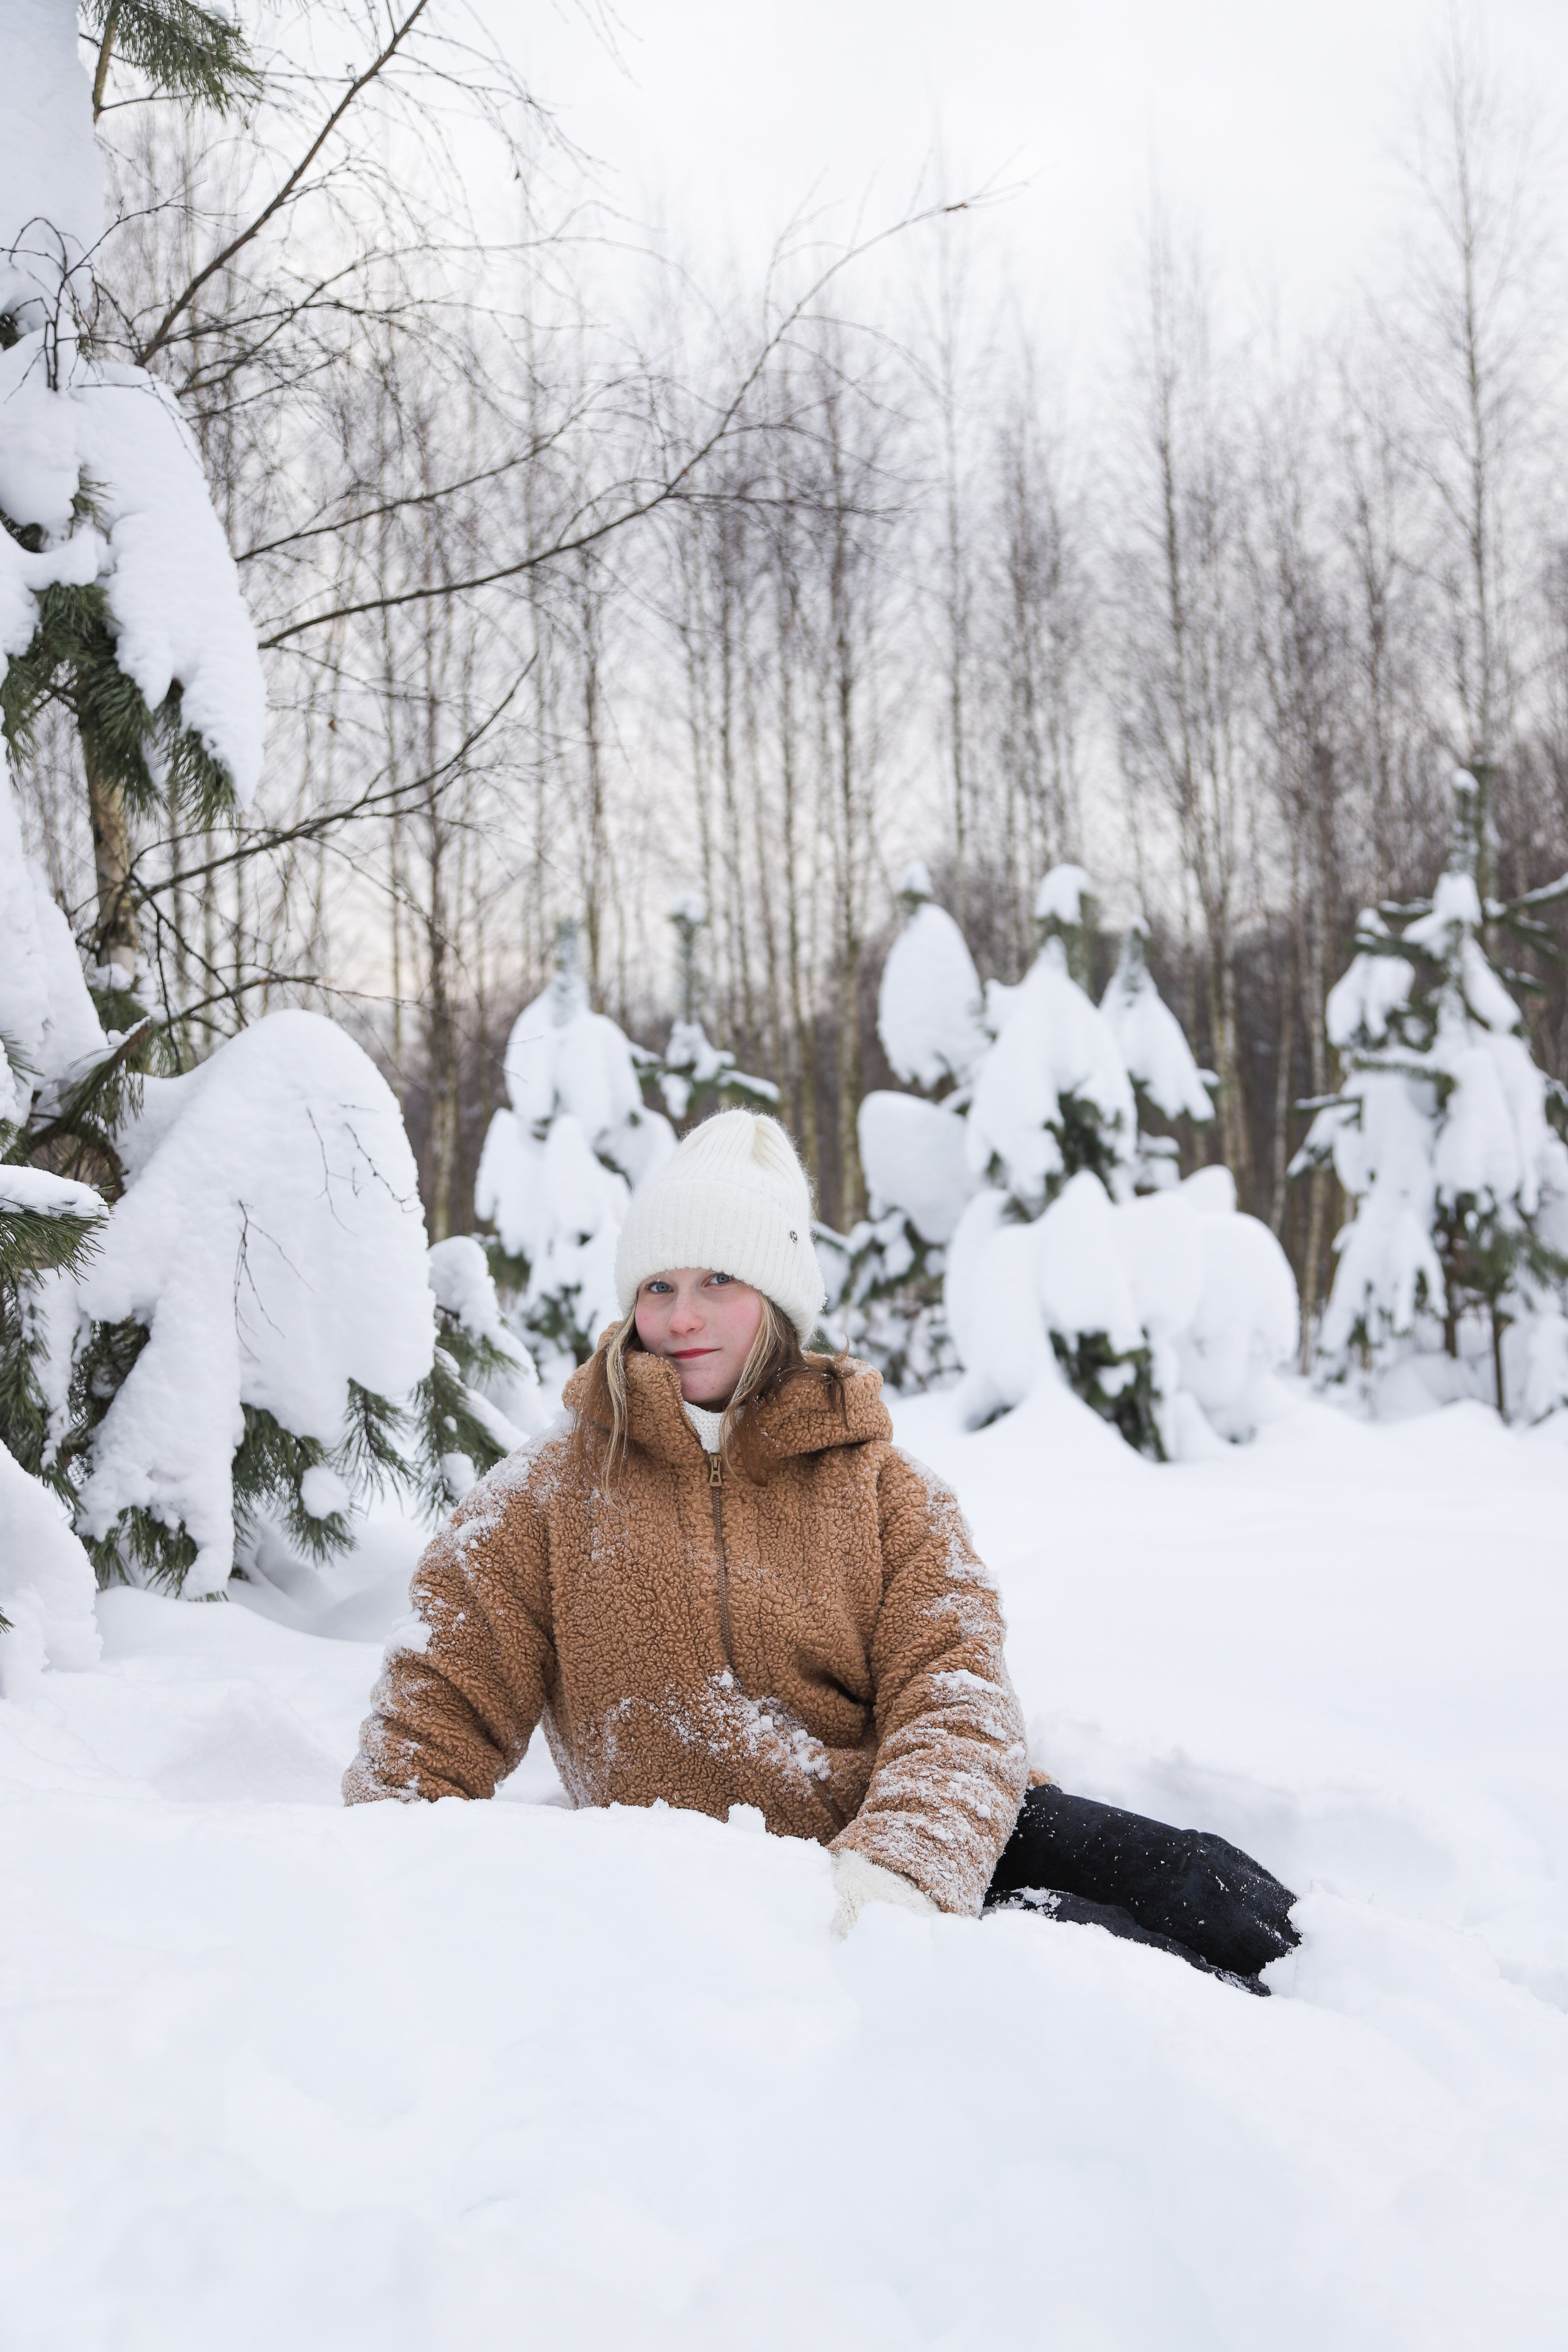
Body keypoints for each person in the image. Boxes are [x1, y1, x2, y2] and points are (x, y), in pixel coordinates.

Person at [345, 1110, 1297, 1988]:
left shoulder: (886, 1490)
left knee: (1204, 1887)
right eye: (659, 1286)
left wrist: (904, 1867)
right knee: (1134, 1974)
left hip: (929, 1835)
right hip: (758, 1886)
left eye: (719, 1281)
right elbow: (439, 1704)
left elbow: (959, 1696)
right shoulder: (548, 1495)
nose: (682, 1317)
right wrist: (389, 1897)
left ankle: (1352, 1983)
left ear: (779, 1300)